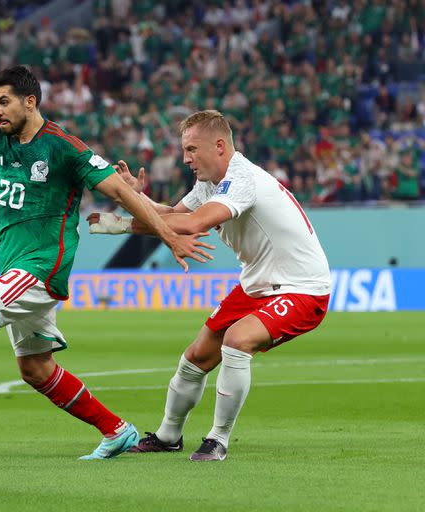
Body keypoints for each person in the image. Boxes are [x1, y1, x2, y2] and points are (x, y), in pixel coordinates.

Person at [0, 66, 213, 461]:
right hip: (15, 267)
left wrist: (168, 233)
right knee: (36, 369)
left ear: (30, 101)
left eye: (4, 102)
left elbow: (119, 191)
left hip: (41, 267)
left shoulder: (63, 147)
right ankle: (117, 430)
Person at [88, 110, 331, 461]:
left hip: (302, 287)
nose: (185, 159)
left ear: (219, 146)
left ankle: (218, 440)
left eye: (191, 150)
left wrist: (129, 214)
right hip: (256, 283)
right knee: (196, 356)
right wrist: (128, 205)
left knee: (237, 340)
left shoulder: (242, 178)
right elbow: (169, 216)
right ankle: (169, 436)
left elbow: (194, 223)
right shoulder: (208, 186)